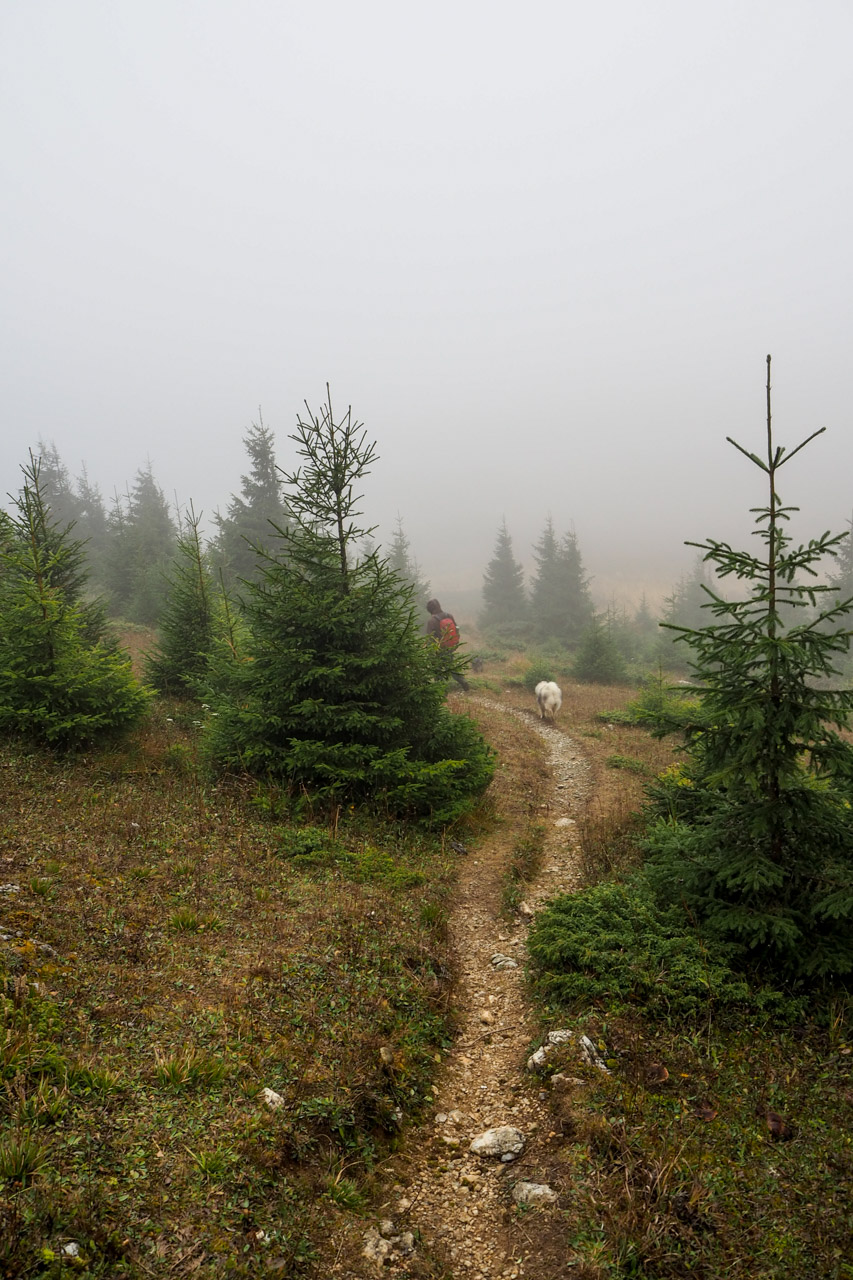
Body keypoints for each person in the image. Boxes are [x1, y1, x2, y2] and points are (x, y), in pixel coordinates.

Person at [426, 598, 470, 690]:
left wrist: (430, 652)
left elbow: (430, 638)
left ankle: (441, 690)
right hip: (450, 646)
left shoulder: (432, 621)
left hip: (438, 649)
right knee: (451, 666)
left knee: (437, 669)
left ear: (430, 610)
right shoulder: (449, 616)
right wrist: (455, 642)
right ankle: (463, 681)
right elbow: (456, 628)